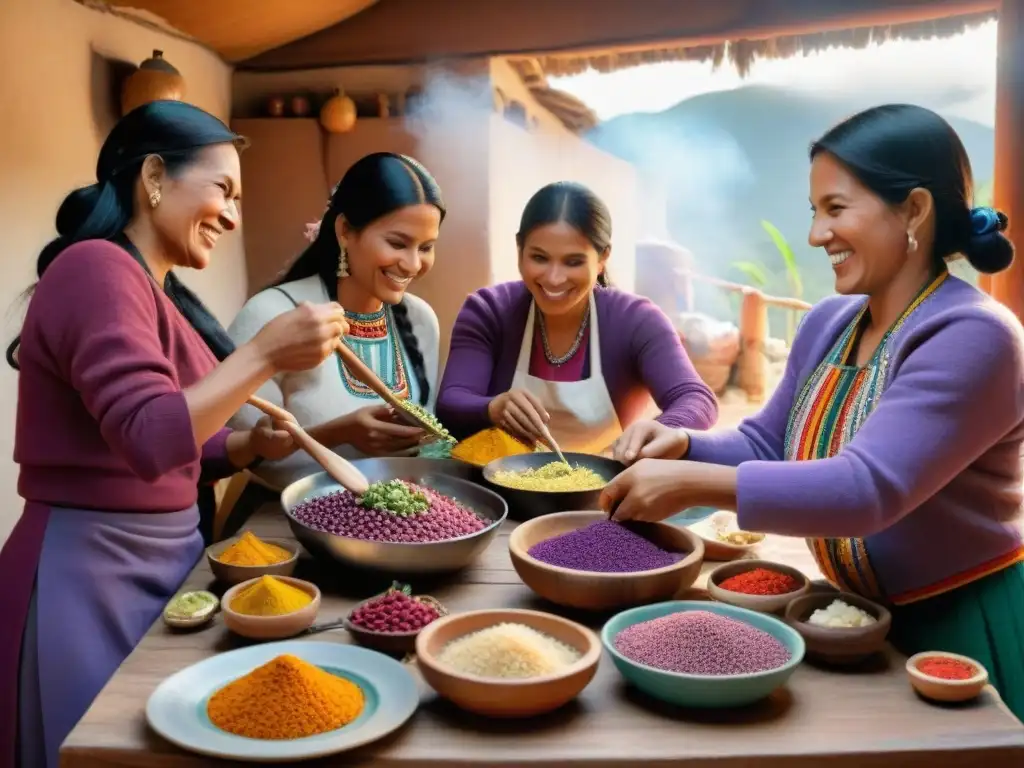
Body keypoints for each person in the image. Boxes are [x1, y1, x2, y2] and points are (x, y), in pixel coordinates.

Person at [603, 104, 1024, 720]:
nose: (815, 234)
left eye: (835, 209)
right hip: (847, 616)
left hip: (955, 622)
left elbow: (869, 489)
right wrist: (682, 446)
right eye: (813, 211)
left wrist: (692, 484)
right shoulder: (832, 321)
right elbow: (767, 443)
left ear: (912, 209)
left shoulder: (975, 336)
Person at [0, 100, 348, 768]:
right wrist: (267, 355)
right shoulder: (94, 268)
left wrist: (246, 446)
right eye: (223, 189)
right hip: (89, 576)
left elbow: (173, 440)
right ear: (155, 177)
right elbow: (150, 438)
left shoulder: (156, 291)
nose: (233, 214)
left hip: (162, 567)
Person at [435, 181, 718, 454]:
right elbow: (450, 403)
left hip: (604, 493)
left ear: (603, 257)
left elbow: (696, 399)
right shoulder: (489, 311)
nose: (554, 278)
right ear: (519, 249)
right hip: (499, 487)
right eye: (539, 258)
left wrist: (657, 431)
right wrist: (492, 408)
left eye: (573, 262)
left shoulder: (636, 321)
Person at [227, 152, 444, 491]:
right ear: (345, 230)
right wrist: (340, 433)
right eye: (397, 243)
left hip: (399, 519)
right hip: (284, 523)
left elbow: (427, 446)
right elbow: (248, 452)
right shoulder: (271, 313)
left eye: (427, 247)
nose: (413, 264)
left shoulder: (420, 320)